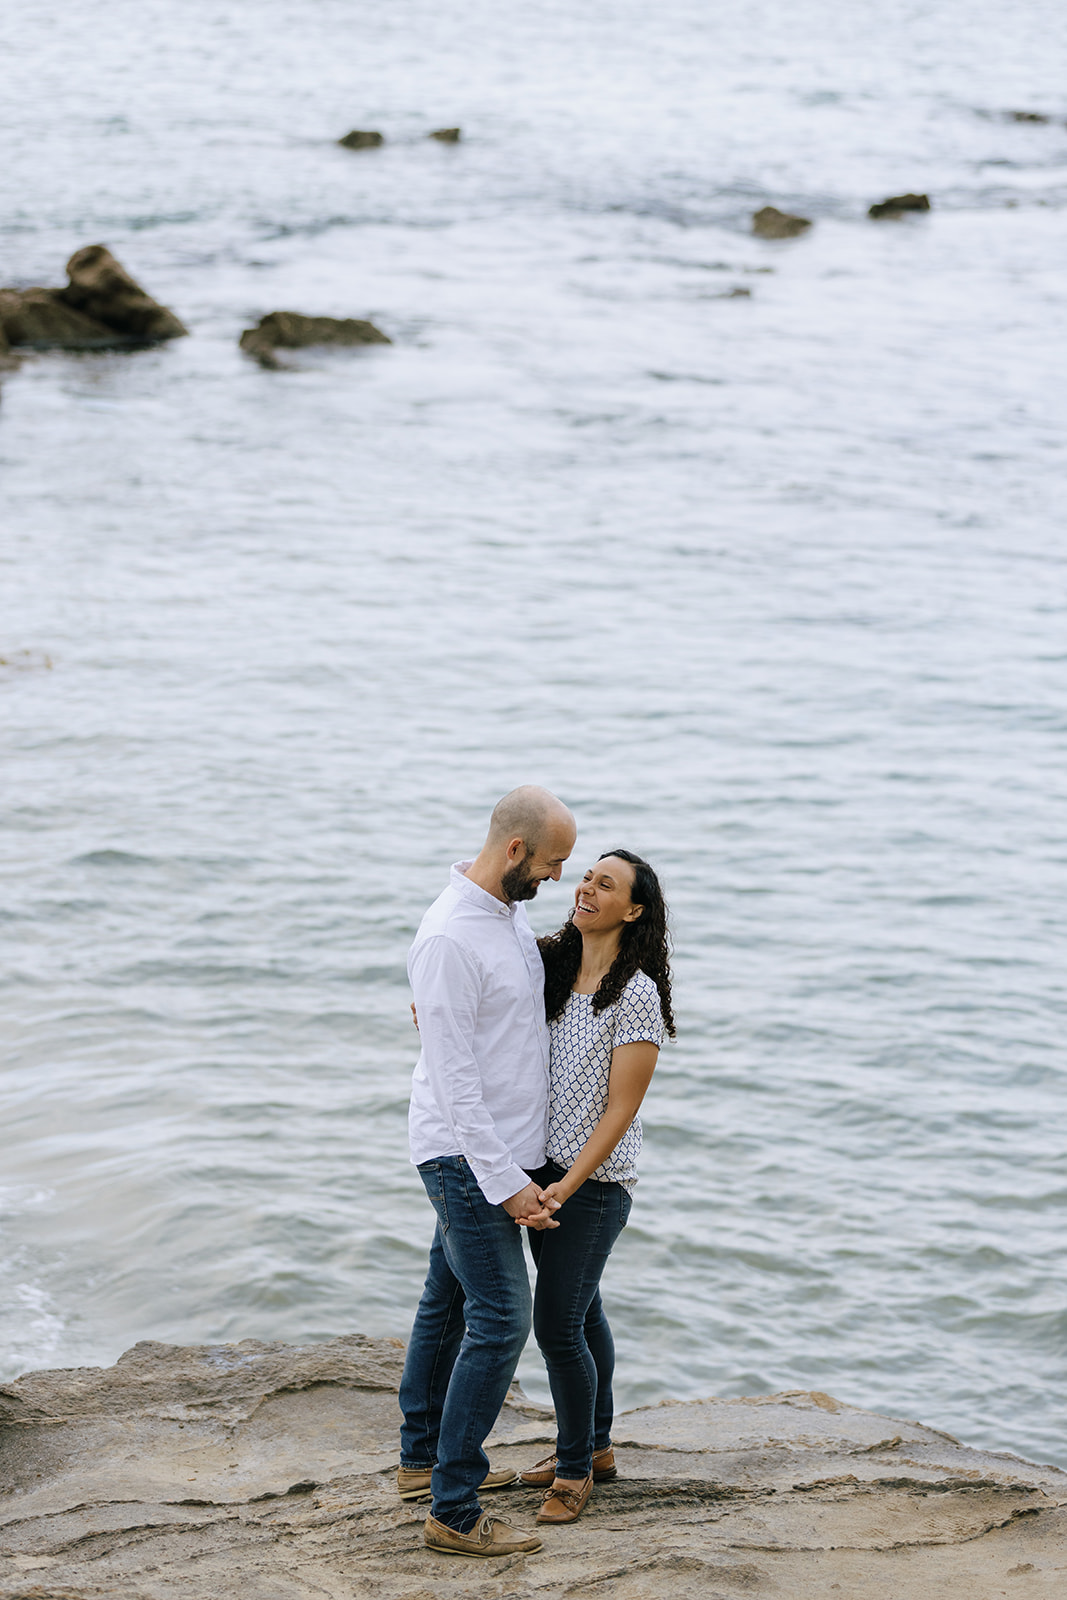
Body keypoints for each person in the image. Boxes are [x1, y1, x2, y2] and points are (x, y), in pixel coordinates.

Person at [397, 785, 577, 1559]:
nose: (557, 879)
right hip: (464, 1155)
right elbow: (455, 1083)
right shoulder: (447, 939)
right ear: (513, 852)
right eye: (550, 864)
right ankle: (454, 1509)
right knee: (501, 1317)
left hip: (499, 1149)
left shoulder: (507, 913)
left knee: (446, 1298)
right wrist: (506, 1181)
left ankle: (419, 1461)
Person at [518, 849, 675, 1525]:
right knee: (581, 1315)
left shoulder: (635, 991)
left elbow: (621, 1108)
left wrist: (565, 1186)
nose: (585, 887)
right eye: (585, 877)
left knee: (555, 1324)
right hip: (541, 1169)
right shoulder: (551, 960)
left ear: (632, 909)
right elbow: (478, 977)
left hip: (595, 1183)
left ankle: (574, 1466)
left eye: (604, 885)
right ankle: (598, 1446)